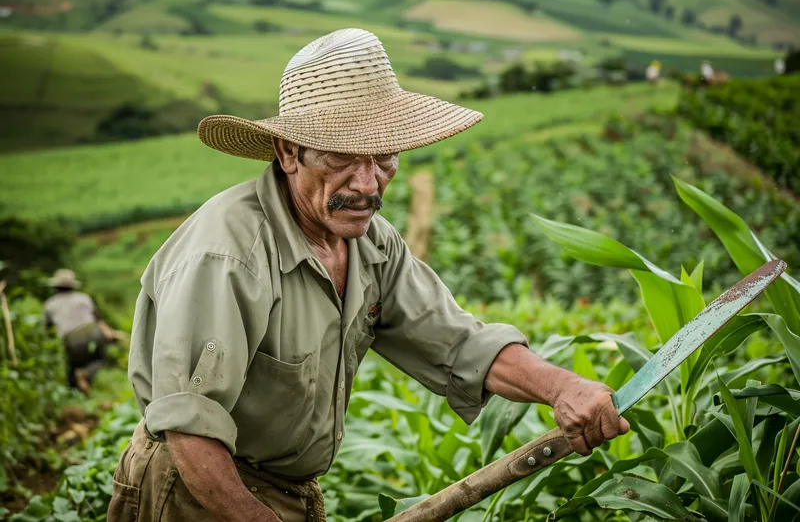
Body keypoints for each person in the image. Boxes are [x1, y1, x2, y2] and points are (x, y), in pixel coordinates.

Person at [108, 29, 630, 522]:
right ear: (289, 153)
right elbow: (189, 431)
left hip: (289, 490)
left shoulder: (370, 243)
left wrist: (564, 388)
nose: (367, 183)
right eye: (342, 156)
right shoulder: (230, 255)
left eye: (383, 157)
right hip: (197, 491)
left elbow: (460, 344)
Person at [44, 269, 115, 393]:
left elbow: (49, 330)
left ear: (56, 288)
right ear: (73, 286)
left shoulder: (50, 304)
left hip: (72, 338)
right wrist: (108, 332)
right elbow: (97, 318)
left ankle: (77, 393)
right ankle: (86, 375)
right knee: (100, 359)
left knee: (73, 367)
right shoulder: (84, 298)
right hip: (92, 331)